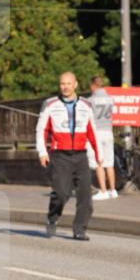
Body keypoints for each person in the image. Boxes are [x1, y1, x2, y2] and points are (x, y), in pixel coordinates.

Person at [35, 71, 101, 241]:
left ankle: (79, 230)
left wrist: (98, 153)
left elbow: (92, 131)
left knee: (85, 195)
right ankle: (52, 217)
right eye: (62, 84)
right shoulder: (50, 104)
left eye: (68, 83)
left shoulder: (86, 105)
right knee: (61, 193)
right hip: (60, 156)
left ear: (75, 84)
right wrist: (42, 152)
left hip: (81, 155)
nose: (65, 87)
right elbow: (41, 130)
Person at [88, 76, 117, 200]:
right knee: (109, 163)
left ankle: (103, 191)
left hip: (97, 133)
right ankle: (113, 190)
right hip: (108, 131)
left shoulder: (90, 100)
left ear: (94, 86)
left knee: (99, 162)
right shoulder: (110, 99)